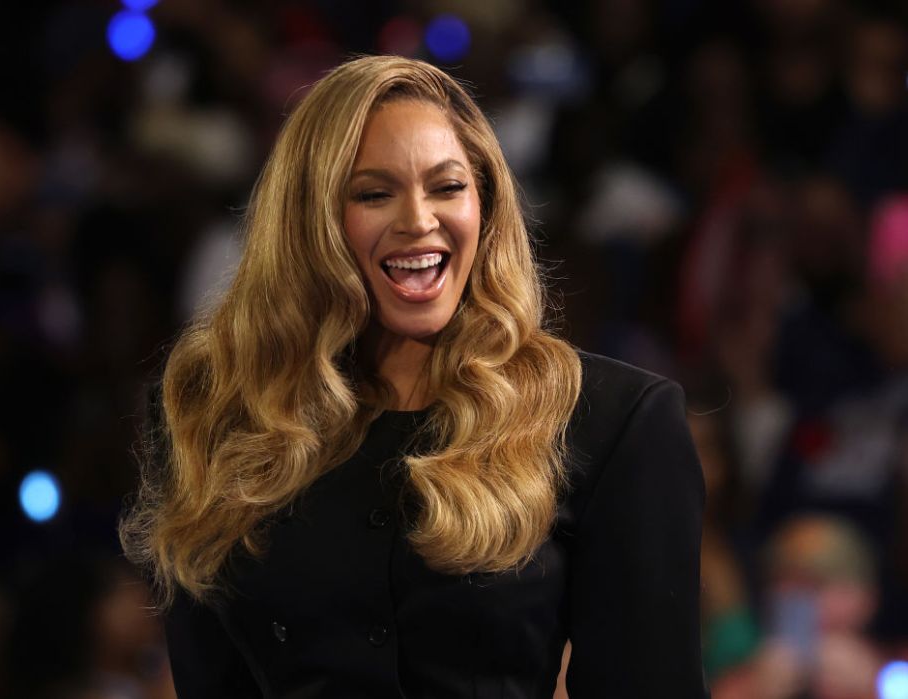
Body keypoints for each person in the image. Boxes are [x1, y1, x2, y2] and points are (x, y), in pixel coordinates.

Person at [118, 55, 708, 698]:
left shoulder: (613, 420)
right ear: (308, 222)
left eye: (447, 187)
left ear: (485, 201)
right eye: (374, 193)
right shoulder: (214, 415)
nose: (418, 221)